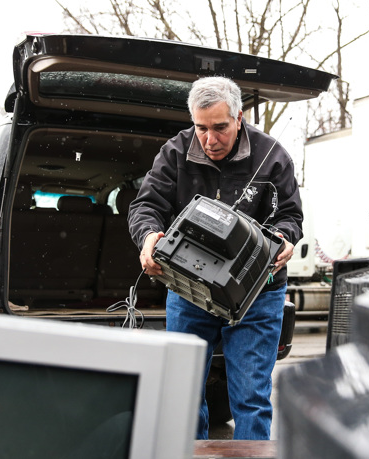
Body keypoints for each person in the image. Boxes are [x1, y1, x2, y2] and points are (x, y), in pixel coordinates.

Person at [127, 76, 302, 440]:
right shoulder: (175, 153)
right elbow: (145, 206)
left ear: (239, 117)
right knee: (184, 393)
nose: (210, 139)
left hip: (258, 294)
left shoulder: (272, 156)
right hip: (189, 291)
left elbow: (290, 215)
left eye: (220, 127)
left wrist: (286, 239)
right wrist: (147, 238)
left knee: (251, 397)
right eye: (201, 128)